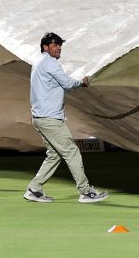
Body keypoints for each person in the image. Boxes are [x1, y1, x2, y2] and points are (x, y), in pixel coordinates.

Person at [23, 32, 108, 203]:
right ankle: (85, 192)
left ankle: (34, 189)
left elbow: (61, 86)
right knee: (71, 151)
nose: (59, 47)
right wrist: (82, 83)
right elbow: (68, 84)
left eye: (60, 44)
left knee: (54, 154)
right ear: (45, 47)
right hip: (50, 118)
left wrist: (76, 84)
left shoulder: (38, 63)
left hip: (40, 117)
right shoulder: (49, 62)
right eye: (55, 44)